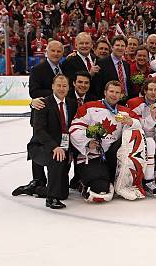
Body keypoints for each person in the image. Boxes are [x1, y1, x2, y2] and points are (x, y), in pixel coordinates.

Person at [69, 81, 145, 202]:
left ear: (121, 95)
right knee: (100, 189)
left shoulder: (124, 111)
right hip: (92, 157)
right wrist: (88, 142)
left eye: (117, 92)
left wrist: (131, 122)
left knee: (135, 133)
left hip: (113, 158)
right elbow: (74, 128)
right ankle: (82, 182)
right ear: (105, 92)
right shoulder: (89, 107)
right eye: (111, 91)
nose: (114, 95)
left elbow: (138, 126)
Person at [13, 75, 78, 209]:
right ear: (52, 86)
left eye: (64, 86)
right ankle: (51, 198)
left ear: (68, 88)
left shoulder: (72, 104)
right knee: (57, 157)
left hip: (63, 146)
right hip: (40, 146)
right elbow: (39, 130)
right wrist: (54, 147)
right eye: (58, 85)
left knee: (63, 192)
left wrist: (70, 150)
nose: (61, 88)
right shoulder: (43, 103)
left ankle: (35, 190)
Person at [24, 40, 65, 194]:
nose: (55, 54)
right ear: (46, 52)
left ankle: (54, 179)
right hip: (41, 114)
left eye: (58, 51)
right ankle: (38, 179)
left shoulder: (63, 68)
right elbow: (34, 92)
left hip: (58, 115)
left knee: (53, 144)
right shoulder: (38, 69)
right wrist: (56, 94)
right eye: (52, 51)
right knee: (40, 143)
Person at [126, 79, 156, 196]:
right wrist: (152, 116)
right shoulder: (135, 103)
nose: (153, 92)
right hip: (136, 139)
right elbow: (135, 125)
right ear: (144, 91)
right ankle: (148, 181)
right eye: (150, 89)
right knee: (150, 142)